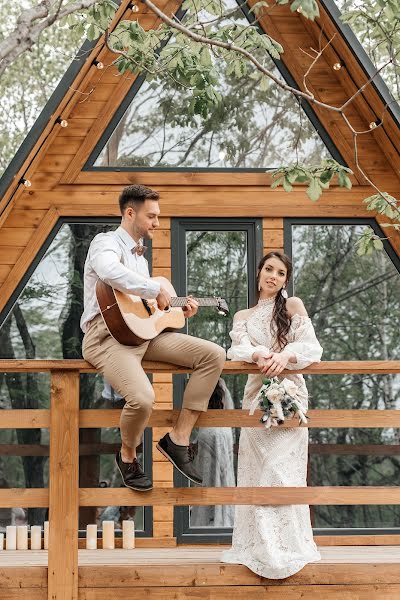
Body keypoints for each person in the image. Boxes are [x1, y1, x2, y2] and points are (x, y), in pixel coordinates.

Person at [81, 184, 226, 491]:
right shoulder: (104, 243)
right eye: (152, 216)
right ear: (130, 212)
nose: (157, 223)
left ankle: (178, 438)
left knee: (213, 354)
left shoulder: (141, 259)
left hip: (142, 338)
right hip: (107, 338)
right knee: (144, 398)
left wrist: (175, 312)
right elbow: (108, 271)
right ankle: (128, 455)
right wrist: (152, 290)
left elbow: (146, 313)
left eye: (158, 216)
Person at [221, 251, 322, 579]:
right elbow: (236, 348)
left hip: (290, 393)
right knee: (257, 470)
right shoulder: (243, 315)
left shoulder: (293, 307)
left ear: (285, 280)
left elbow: (311, 347)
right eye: (269, 269)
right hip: (255, 397)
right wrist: (259, 353)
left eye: (280, 272)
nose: (273, 276)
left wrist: (285, 355)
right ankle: (259, 546)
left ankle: (285, 548)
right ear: (259, 273)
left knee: (280, 472)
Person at [190, 378, 235, 528]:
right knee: (224, 475)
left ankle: (205, 517)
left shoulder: (201, 383)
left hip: (206, 433)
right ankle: (224, 518)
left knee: (207, 476)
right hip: (224, 432)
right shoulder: (221, 384)